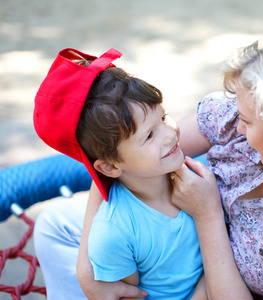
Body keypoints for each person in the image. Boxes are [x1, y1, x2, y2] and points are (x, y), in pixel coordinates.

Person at [34, 20, 263, 299]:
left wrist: (208, 214)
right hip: (170, 244)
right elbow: (122, 156)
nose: (232, 122)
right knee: (53, 224)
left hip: (204, 275)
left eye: (248, 120)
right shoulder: (236, 116)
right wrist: (88, 267)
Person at [33, 48, 205, 299]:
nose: (171, 134)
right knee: (50, 222)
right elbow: (135, 294)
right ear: (110, 167)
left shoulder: (192, 179)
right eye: (149, 135)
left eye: (164, 117)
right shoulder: (115, 233)